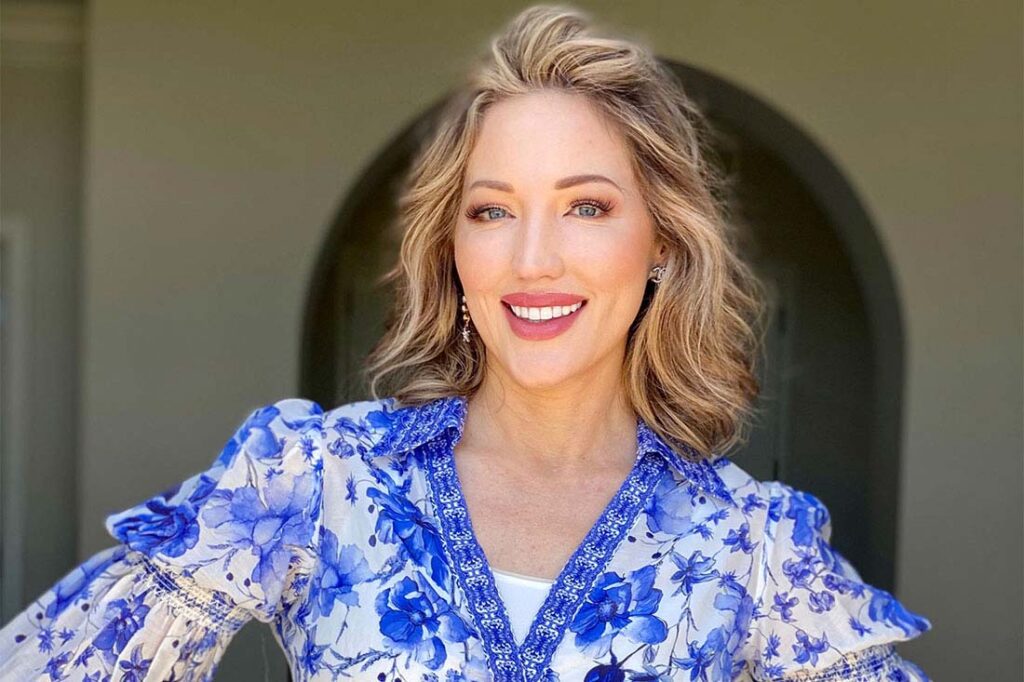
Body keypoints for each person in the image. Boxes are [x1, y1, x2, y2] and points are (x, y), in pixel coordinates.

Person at [0, 5, 931, 681]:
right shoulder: (312, 478)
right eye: (492, 211)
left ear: (661, 245)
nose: (533, 259)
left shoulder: (751, 543)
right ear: (453, 247)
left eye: (587, 207)